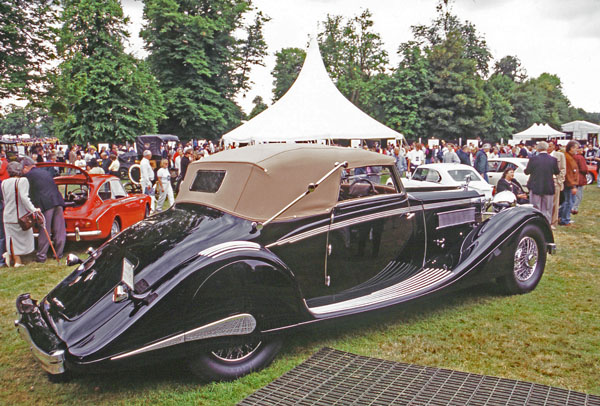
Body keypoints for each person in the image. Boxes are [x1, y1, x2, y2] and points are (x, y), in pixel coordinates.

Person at [22, 157, 66, 262]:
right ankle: (59, 254)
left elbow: (29, 193)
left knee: (44, 229)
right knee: (59, 229)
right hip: (57, 201)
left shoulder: (28, 176)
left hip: (45, 204)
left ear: (25, 167)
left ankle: (41, 256)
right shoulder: (45, 172)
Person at [2, 162, 39, 266]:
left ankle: (13, 258)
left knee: (11, 239)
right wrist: (33, 210)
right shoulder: (22, 181)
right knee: (23, 238)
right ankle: (15, 260)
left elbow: (5, 199)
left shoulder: (4, 182)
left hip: (7, 215)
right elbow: (24, 198)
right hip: (19, 216)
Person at [524, 141, 559, 224]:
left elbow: (527, 172)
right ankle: (546, 224)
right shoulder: (553, 160)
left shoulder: (533, 159)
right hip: (548, 186)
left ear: (538, 149)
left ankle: (536, 223)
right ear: (547, 148)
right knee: (547, 208)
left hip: (535, 185)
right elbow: (557, 171)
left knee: (535, 207)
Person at [558, 141, 580, 226]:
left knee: (568, 201)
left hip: (571, 183)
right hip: (569, 184)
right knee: (569, 202)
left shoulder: (570, 157)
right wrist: (572, 186)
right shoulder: (567, 158)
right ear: (571, 148)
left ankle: (559, 216)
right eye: (576, 148)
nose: (577, 150)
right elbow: (568, 173)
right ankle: (564, 220)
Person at [548, 142, 566, 229]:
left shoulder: (559, 155)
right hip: (546, 181)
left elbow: (563, 168)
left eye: (550, 146)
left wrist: (560, 180)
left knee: (555, 202)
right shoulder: (543, 155)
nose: (548, 148)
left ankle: (553, 222)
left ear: (554, 147)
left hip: (556, 181)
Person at [571, 144, 588, 215]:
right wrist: (586, 172)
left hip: (572, 178)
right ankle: (574, 208)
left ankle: (572, 207)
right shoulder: (580, 157)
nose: (582, 150)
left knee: (572, 195)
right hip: (579, 178)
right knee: (578, 195)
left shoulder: (571, 157)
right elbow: (583, 169)